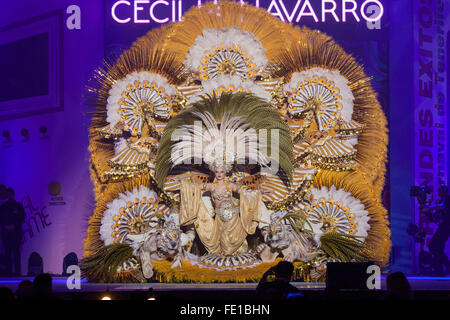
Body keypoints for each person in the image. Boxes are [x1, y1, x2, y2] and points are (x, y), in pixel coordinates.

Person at [423, 185, 450, 274]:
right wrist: (426, 213)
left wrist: (430, 208)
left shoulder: (447, 199)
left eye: (442, 190)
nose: (441, 192)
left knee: (434, 246)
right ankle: (440, 268)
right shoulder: (441, 201)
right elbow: (435, 218)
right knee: (437, 248)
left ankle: (445, 266)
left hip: (446, 227)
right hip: (443, 227)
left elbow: (441, 207)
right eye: (440, 190)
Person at [0, 188, 26, 276]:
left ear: (13, 195)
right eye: (8, 194)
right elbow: (1, 219)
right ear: (7, 195)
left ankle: (17, 273)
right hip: (6, 234)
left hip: (16, 233)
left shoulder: (18, 205)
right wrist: (5, 226)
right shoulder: (3, 207)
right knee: (7, 253)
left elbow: (22, 218)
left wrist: (14, 225)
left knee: (16, 252)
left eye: (11, 194)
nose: (10, 196)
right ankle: (8, 273)